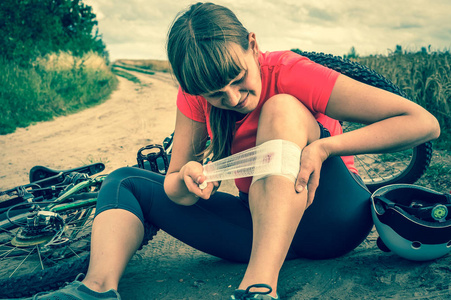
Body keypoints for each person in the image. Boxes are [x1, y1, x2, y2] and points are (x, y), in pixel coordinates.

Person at [28, 2, 440, 300]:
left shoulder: (289, 70)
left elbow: (423, 122)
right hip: (258, 224)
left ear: (252, 45)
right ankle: (97, 289)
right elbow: (173, 186)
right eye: (215, 94)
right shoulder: (195, 98)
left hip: (330, 219)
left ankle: (258, 287)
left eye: (238, 79)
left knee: (280, 108)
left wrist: (325, 147)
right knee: (124, 182)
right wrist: (186, 183)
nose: (233, 97)